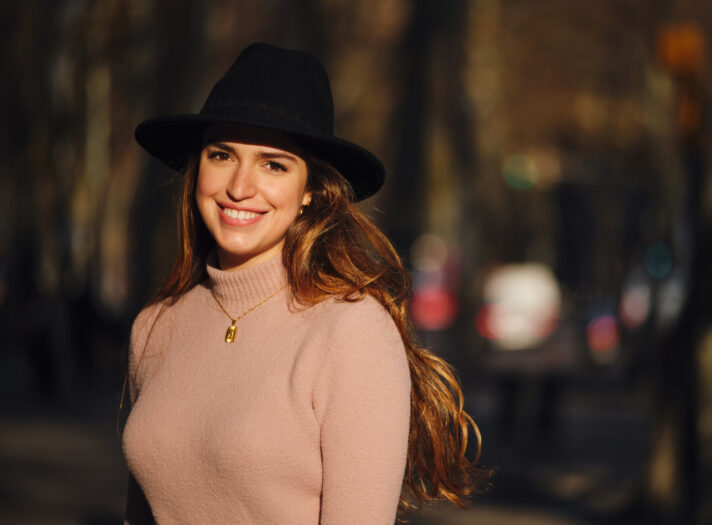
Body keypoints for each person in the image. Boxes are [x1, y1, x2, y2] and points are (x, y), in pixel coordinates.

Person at [122, 42, 487, 525]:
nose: (239, 186)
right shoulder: (155, 327)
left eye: (274, 164)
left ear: (311, 190)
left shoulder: (352, 332)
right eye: (221, 154)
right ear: (197, 170)